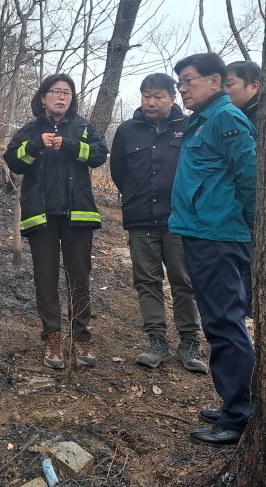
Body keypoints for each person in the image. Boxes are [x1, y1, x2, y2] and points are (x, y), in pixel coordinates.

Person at [169, 53, 256, 446]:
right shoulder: (202, 121)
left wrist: (253, 229)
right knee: (218, 322)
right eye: (180, 83)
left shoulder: (226, 119)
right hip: (202, 232)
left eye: (188, 80)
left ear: (215, 81)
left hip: (220, 236)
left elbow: (250, 177)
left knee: (224, 324)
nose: (182, 89)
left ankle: (239, 417)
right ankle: (233, 403)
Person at [4, 74, 107, 369]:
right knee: (45, 279)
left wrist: (71, 146)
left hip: (79, 215)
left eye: (67, 93)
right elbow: (13, 161)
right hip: (42, 216)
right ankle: (52, 338)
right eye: (55, 92)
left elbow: (100, 155)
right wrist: (36, 145)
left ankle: (81, 337)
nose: (61, 97)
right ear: (43, 97)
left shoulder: (84, 128)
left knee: (80, 277)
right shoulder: (29, 131)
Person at [110, 73, 207, 373]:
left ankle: (190, 341)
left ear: (173, 97)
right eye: (146, 96)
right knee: (147, 281)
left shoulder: (190, 127)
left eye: (158, 96)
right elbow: (118, 172)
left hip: (181, 220)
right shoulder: (127, 130)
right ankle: (156, 340)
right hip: (140, 220)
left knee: (184, 281)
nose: (151, 102)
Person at [225, 60, 261, 318]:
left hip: (255, 215)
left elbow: (249, 172)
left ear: (254, 86)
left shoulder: (262, 118)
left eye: (230, 84)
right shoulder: (234, 116)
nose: (225, 92)